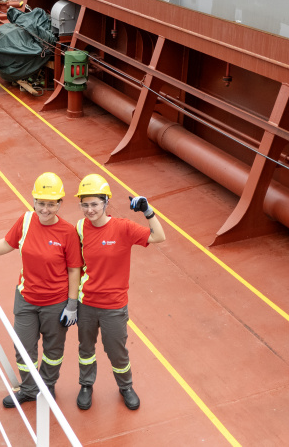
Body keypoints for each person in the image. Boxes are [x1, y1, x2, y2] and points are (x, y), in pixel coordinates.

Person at [0, 172, 82, 408]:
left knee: (52, 350)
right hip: (26, 299)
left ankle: (47, 387)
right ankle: (28, 389)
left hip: (55, 303)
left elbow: (74, 270)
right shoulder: (26, 221)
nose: (44, 209)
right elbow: (7, 243)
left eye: (50, 204)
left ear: (60, 204)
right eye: (40, 203)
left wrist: (72, 305)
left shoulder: (67, 233)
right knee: (23, 348)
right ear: (33, 201)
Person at [73, 174, 166, 411]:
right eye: (85, 204)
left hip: (113, 306)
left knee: (117, 351)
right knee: (86, 348)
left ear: (106, 202)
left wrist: (148, 212)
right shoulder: (81, 227)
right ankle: (86, 385)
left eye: (94, 204)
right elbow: (76, 265)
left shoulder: (123, 228)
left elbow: (158, 237)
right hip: (87, 303)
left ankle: (125, 386)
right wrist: (71, 303)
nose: (89, 210)